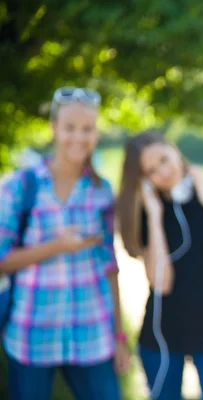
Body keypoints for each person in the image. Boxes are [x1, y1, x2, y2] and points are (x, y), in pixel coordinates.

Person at [0, 87, 129, 399]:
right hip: (31, 334)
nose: (79, 137)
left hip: (93, 333)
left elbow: (110, 267)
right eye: (70, 127)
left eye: (87, 129)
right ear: (54, 128)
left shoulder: (101, 190)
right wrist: (57, 246)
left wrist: (119, 335)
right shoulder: (21, 185)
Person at [117, 130, 203, 400]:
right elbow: (162, 282)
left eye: (164, 159)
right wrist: (156, 217)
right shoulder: (149, 216)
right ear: (143, 181)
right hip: (163, 337)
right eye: (151, 171)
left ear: (175, 152)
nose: (163, 171)